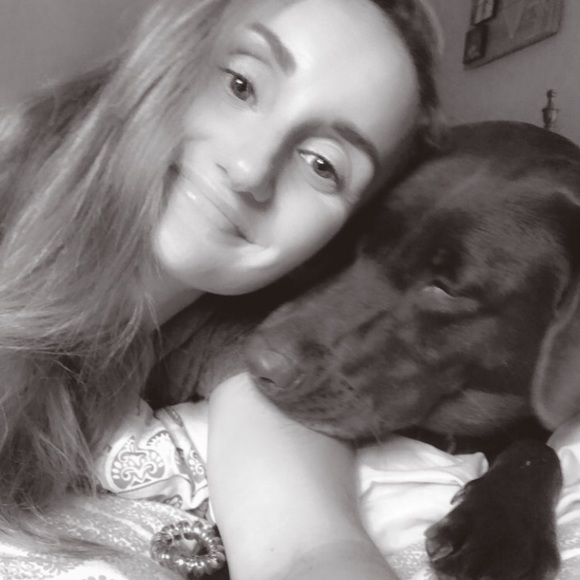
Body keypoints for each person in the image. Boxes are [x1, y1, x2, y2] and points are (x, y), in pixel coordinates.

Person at [0, 0, 441, 577]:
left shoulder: (244, 341)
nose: (249, 168)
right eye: (241, 85)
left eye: (322, 164)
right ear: (168, 56)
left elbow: (307, 547)